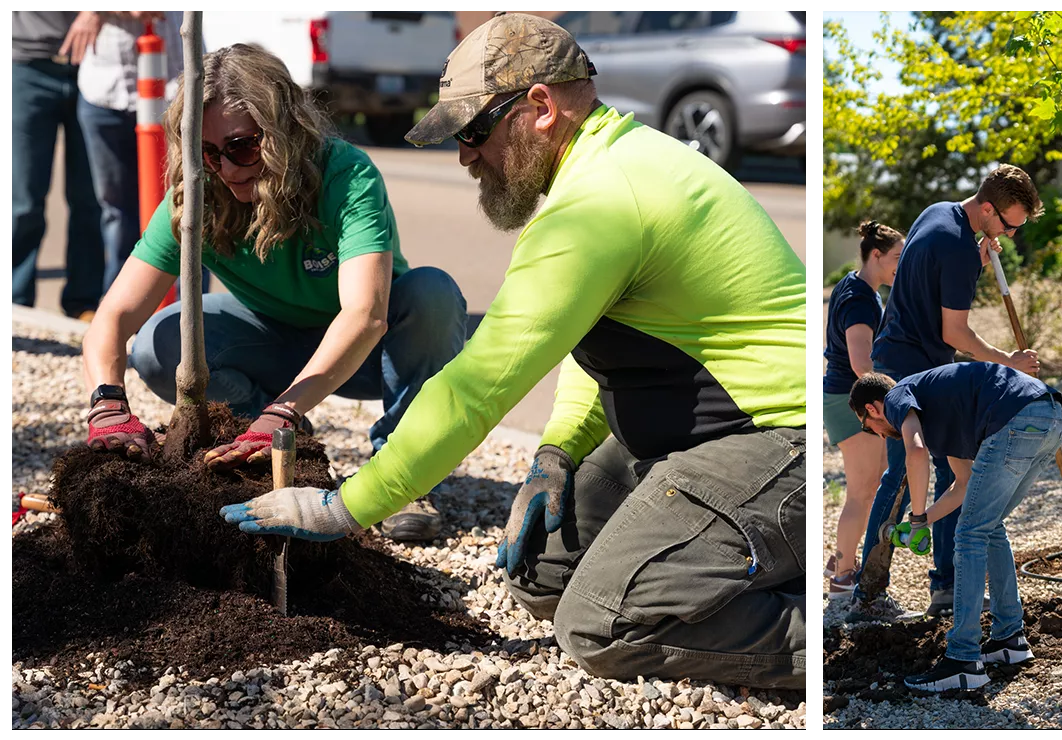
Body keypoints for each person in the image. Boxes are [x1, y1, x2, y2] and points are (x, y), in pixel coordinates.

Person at [219, 12, 808, 689]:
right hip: (700, 433)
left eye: (472, 133)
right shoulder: (606, 168)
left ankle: (812, 639)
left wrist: (347, 507)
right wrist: (556, 450)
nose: (465, 156)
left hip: (772, 439)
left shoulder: (602, 201)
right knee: (541, 576)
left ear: (539, 107)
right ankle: (728, 568)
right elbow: (607, 348)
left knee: (600, 625)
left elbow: (476, 386)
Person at [80, 43, 469, 543]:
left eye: (243, 146)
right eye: (206, 151)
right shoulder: (197, 196)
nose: (226, 167)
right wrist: (107, 404)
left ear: (284, 128)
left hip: (374, 351)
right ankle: (280, 444)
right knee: (158, 343)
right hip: (271, 340)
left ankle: (402, 470)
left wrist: (284, 407)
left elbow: (366, 316)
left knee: (433, 293)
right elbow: (113, 318)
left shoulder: (345, 174)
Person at [855, 164, 1046, 617]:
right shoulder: (959, 247)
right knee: (905, 475)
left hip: (909, 357)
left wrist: (977, 258)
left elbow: (929, 278)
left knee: (948, 471)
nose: (1012, 235)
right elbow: (956, 332)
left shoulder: (939, 213)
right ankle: (869, 592)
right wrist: (1009, 362)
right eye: (1009, 224)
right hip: (910, 367)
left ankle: (944, 587)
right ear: (986, 208)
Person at [850, 363, 1062, 691]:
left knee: (969, 534)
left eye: (871, 428)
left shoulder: (896, 396)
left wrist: (920, 517)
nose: (880, 435)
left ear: (872, 408)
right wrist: (921, 520)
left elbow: (916, 451)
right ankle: (1010, 641)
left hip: (1017, 417)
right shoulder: (942, 414)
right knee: (989, 526)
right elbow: (963, 484)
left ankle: (963, 659)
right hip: (1050, 417)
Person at [67, 8, 212, 296]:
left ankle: (188, 314)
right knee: (118, 211)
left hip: (177, 86)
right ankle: (123, 311)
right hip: (107, 87)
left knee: (189, 204)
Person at [821, 221, 903, 597]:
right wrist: (891, 399)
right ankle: (842, 576)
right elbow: (860, 363)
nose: (899, 266)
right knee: (863, 491)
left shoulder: (858, 286)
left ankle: (842, 559)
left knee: (867, 487)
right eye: (896, 258)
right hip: (851, 400)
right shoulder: (858, 298)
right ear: (875, 255)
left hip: (848, 398)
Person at [9, 9, 105, 320]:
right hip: (26, 63)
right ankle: (17, 301)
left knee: (89, 199)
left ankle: (83, 301)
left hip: (92, 62)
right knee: (23, 200)